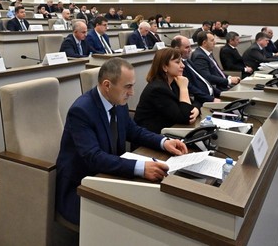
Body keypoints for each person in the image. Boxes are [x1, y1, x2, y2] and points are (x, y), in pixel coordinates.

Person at [55, 58, 188, 225]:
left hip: (110, 176)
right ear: (107, 85)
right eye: (128, 86)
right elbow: (94, 157)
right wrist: (140, 168)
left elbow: (134, 131)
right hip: (81, 187)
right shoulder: (81, 111)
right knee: (140, 217)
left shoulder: (118, 101)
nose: (132, 92)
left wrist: (164, 142)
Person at [134, 48, 199, 133]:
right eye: (177, 62)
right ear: (164, 67)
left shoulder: (174, 82)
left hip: (170, 131)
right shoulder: (157, 89)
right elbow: (186, 118)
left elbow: (194, 102)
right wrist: (184, 88)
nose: (183, 65)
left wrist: (196, 109)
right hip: (152, 138)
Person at [170, 35, 221, 106]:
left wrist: (220, 93)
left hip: (211, 96)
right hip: (201, 101)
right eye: (187, 47)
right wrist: (211, 99)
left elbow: (203, 79)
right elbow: (190, 87)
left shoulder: (187, 61)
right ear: (177, 49)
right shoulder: (178, 68)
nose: (190, 50)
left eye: (190, 47)